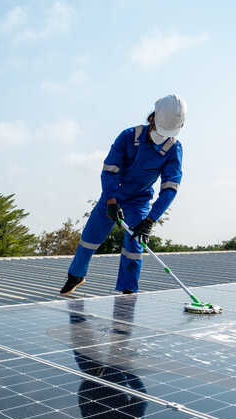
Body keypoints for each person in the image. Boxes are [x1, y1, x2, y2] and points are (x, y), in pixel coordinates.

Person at [60, 94, 186, 296]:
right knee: (90, 237)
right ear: (152, 119)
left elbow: (170, 188)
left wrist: (150, 220)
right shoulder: (128, 137)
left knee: (134, 245)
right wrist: (110, 200)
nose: (162, 136)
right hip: (113, 195)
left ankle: (128, 289)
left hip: (139, 200)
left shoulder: (174, 149)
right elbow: (110, 170)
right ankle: (76, 275)